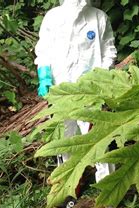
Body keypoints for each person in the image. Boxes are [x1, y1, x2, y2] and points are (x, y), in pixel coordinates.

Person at [34, 0, 117, 183]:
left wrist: (99, 75)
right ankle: (69, 184)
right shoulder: (53, 18)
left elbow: (109, 50)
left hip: (90, 91)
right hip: (59, 90)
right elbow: (44, 50)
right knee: (63, 139)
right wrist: (44, 76)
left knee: (97, 137)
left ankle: (108, 184)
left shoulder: (98, 17)